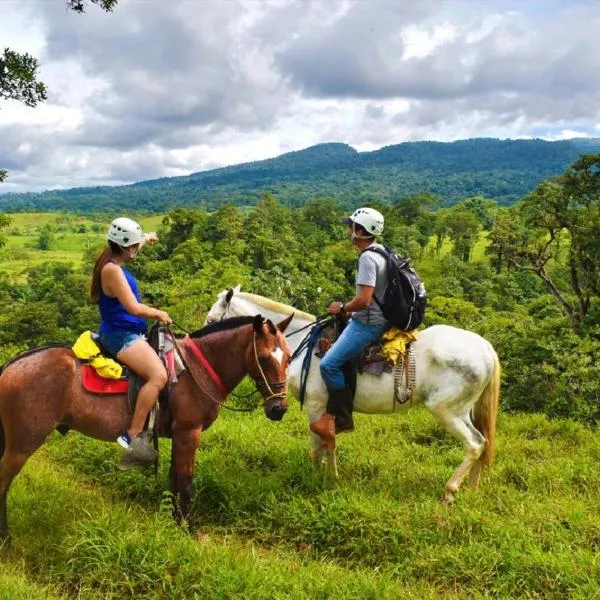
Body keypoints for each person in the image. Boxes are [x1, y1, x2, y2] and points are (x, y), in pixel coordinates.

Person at [90, 217, 172, 466]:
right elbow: (134, 308)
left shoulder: (112, 260)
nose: (137, 248)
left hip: (127, 331)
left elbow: (132, 248)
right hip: (121, 335)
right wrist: (158, 312)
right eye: (135, 245)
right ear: (127, 247)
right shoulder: (112, 271)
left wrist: (146, 237)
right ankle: (132, 434)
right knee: (158, 376)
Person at [312, 207, 388, 437]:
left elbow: (364, 300)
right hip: (378, 316)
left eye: (351, 226)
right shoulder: (382, 252)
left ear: (359, 231)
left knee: (328, 364)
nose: (348, 230)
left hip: (369, 323)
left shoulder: (367, 258)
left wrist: (342, 308)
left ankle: (342, 419)